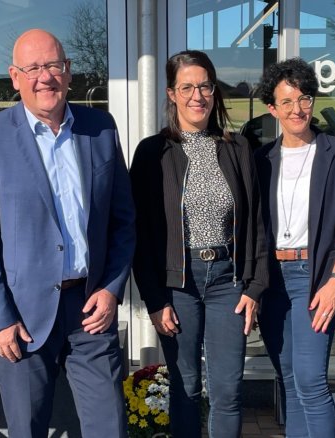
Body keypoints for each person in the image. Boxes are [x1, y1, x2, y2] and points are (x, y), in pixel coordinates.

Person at [0, 29, 135, 438]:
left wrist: (111, 288)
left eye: (53, 65)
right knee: (26, 429)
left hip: (91, 309)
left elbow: (123, 220)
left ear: (68, 71)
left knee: (109, 426)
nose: (45, 77)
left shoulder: (100, 128)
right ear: (15, 77)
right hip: (21, 316)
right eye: (33, 68)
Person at [130, 50, 267, 438]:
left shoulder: (238, 148)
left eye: (205, 86)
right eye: (187, 87)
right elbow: (139, 234)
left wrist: (255, 287)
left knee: (227, 391)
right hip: (178, 285)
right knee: (185, 387)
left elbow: (256, 221)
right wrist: (154, 299)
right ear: (171, 93)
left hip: (228, 281)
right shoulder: (152, 152)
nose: (197, 96)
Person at [254, 58, 335, 438]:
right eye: (286, 102)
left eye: (304, 99)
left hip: (315, 277)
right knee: (288, 378)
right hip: (272, 280)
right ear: (272, 109)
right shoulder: (261, 160)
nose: (297, 109)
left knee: (311, 380)